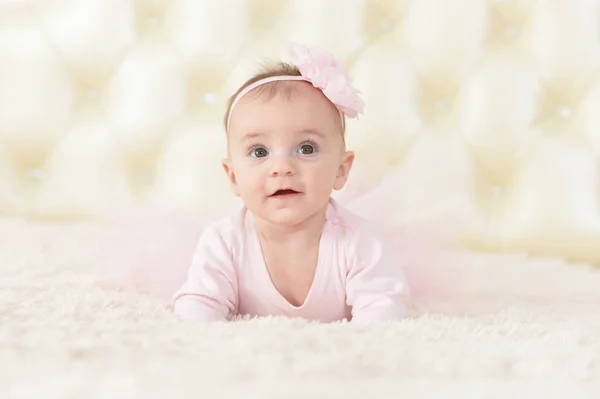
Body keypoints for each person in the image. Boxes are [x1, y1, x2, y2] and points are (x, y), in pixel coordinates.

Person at [171, 43, 409, 324]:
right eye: (259, 152)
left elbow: (383, 309)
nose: (282, 167)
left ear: (341, 170)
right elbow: (199, 305)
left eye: (306, 149)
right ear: (233, 176)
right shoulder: (224, 242)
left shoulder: (357, 241)